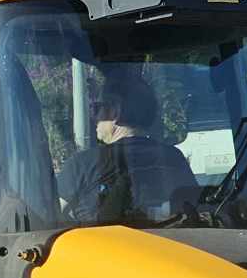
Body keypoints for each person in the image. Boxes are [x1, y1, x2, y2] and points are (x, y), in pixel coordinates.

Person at [57, 69, 201, 224]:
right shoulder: (173, 158)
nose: (94, 117)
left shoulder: (82, 164)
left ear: (115, 111)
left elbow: (49, 219)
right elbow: (194, 210)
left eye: (97, 108)